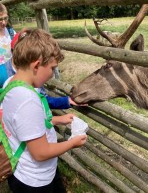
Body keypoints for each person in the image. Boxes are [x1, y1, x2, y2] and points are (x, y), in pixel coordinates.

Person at [1, 28, 87, 192]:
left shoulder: (11, 82)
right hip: (34, 180)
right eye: (52, 68)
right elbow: (40, 153)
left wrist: (56, 120)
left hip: (29, 172)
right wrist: (71, 143)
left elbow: (22, 123)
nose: (52, 74)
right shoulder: (28, 100)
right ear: (37, 65)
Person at [0, 3, 16, 87]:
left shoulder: (11, 32)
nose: (3, 22)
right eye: (0, 19)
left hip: (11, 75)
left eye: (5, 18)